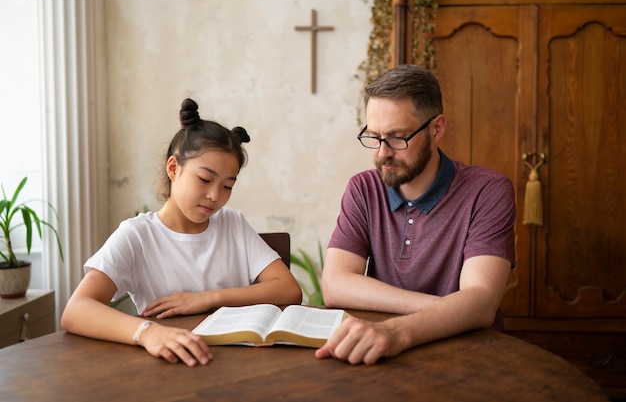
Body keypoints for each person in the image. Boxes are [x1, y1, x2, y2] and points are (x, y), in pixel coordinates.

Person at [61, 98, 302, 366]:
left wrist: (208, 298)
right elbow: (76, 310)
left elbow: (289, 289)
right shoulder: (137, 235)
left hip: (236, 362)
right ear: (174, 168)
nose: (214, 196)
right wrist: (147, 333)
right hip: (171, 363)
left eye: (227, 186)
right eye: (205, 179)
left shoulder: (232, 223)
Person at [315, 64, 516, 365]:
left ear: (436, 128)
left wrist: (397, 332)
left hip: (466, 356)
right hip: (379, 354)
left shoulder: (488, 191)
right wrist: (448, 309)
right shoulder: (363, 188)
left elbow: (482, 301)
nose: (382, 153)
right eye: (374, 136)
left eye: (397, 137)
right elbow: (334, 285)